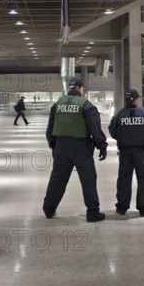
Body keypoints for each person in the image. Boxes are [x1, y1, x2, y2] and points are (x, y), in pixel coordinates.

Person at [43, 78, 108, 222]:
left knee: (58, 178)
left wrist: (54, 145)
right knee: (88, 178)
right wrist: (101, 145)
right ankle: (92, 212)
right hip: (80, 146)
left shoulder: (57, 104)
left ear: (69, 88)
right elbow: (94, 127)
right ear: (80, 89)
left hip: (61, 146)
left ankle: (49, 209)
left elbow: (50, 129)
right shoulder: (85, 105)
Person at [108, 89, 144, 217]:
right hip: (141, 150)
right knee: (143, 178)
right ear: (136, 99)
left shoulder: (119, 114)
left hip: (125, 151)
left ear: (126, 100)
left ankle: (121, 207)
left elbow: (112, 131)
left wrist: (122, 139)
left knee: (124, 178)